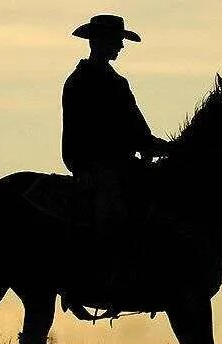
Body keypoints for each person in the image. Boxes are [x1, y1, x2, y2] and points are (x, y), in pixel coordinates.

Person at [62, 14, 170, 232]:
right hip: (97, 165)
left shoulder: (116, 82)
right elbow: (78, 132)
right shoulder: (81, 82)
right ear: (99, 42)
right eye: (116, 40)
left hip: (120, 164)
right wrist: (83, 167)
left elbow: (137, 128)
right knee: (112, 220)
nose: (121, 46)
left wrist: (159, 146)